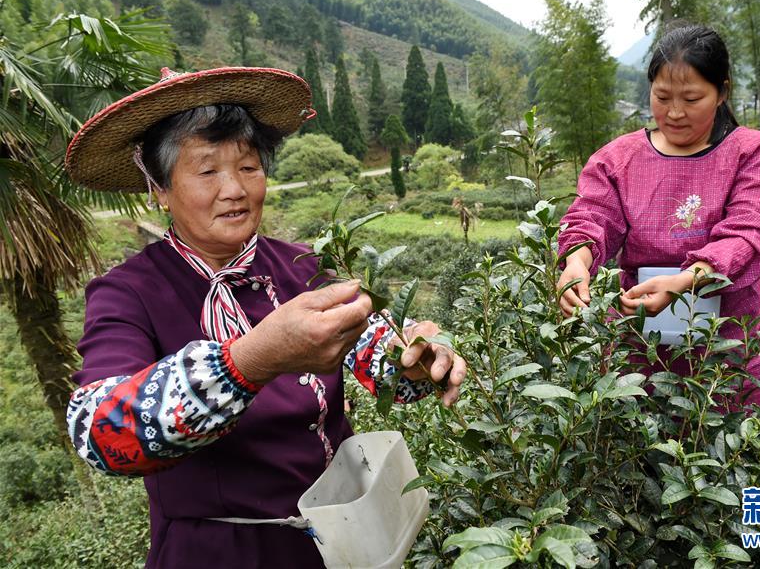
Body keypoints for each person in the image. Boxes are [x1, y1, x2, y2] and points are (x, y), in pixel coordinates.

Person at [64, 67, 467, 568]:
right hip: (217, 552)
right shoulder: (129, 293)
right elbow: (97, 429)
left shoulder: (300, 264)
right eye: (207, 171)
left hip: (338, 538)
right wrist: (251, 359)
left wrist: (416, 361)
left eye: (249, 167)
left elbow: (377, 360)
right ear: (160, 189)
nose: (234, 188)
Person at [557, 24, 760, 407]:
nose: (675, 112)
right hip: (640, 348)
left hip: (728, 351)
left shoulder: (751, 152)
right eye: (662, 97)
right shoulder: (619, 159)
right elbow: (593, 216)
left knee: (733, 448)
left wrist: (685, 281)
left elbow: (750, 234)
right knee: (642, 450)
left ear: (722, 93)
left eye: (692, 98)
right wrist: (577, 259)